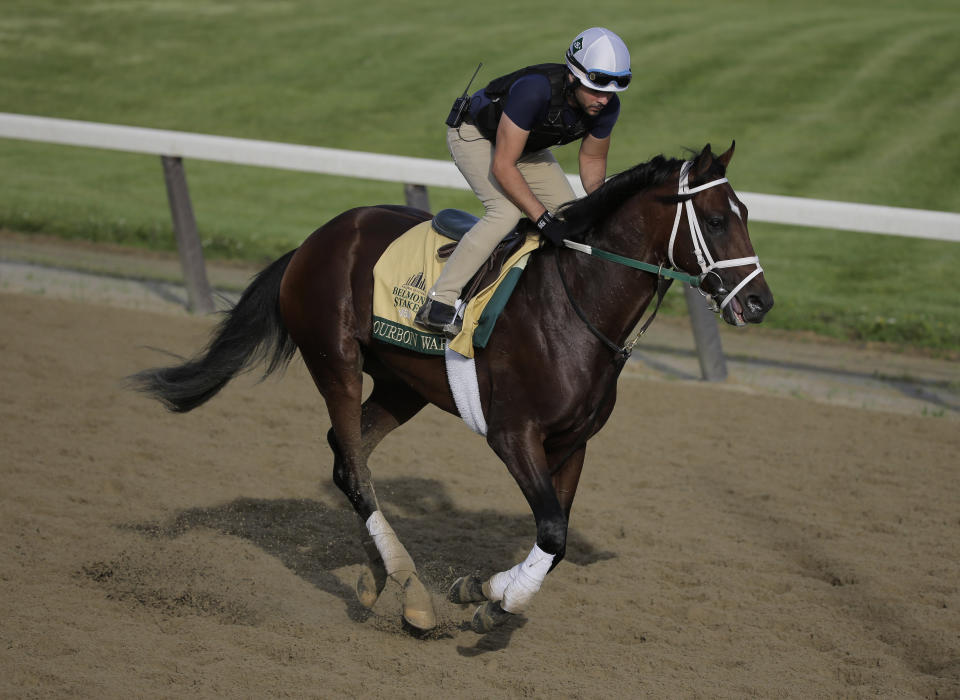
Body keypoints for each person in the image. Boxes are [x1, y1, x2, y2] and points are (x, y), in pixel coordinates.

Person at [415, 27, 632, 337]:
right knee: (504, 214)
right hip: (474, 134)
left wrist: (601, 206)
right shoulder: (535, 90)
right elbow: (504, 165)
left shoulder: (607, 106)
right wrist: (541, 219)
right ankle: (439, 302)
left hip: (525, 146)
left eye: (611, 92)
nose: (604, 99)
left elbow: (593, 161)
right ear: (572, 77)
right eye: (595, 89)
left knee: (573, 217)